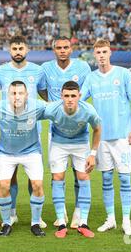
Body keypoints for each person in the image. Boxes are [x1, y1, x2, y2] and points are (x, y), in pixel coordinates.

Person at [81, 39, 131, 236]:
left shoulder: (122, 74)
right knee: (106, 178)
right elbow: (79, 100)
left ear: (110, 52)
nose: (101, 56)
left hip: (122, 137)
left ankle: (125, 221)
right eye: (98, 52)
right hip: (102, 138)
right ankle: (111, 219)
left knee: (124, 179)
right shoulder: (91, 78)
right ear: (94, 55)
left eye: (104, 52)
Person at [0, 35, 48, 228]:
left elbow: (44, 94)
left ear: (27, 50)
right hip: (9, 130)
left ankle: (37, 217)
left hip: (32, 130)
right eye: (14, 48)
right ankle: (12, 212)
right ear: (9, 50)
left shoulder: (38, 71)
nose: (18, 52)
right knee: (11, 174)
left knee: (34, 177)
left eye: (21, 48)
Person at [42, 36, 92, 229]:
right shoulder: (46, 68)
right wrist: (56, 107)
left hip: (79, 128)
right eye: (59, 48)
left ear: (72, 49)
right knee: (57, 172)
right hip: (56, 129)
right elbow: (40, 89)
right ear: (54, 50)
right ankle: (61, 212)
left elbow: (86, 92)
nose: (62, 50)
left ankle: (79, 212)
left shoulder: (83, 68)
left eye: (66, 47)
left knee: (79, 172)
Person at [43, 81, 101, 239]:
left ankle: (83, 223)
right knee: (57, 177)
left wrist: (93, 154)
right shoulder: (52, 109)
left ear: (79, 96)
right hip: (58, 144)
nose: (70, 99)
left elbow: (97, 129)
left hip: (80, 144)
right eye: (66, 96)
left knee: (83, 177)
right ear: (61, 96)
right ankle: (61, 223)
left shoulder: (88, 110)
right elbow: (33, 115)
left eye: (73, 96)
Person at [0, 81, 47, 237]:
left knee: (37, 184)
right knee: (4, 186)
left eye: (21, 93)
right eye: (13, 93)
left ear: (27, 95)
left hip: (31, 151)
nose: (17, 96)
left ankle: (35, 223)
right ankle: (7, 223)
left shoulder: (38, 106)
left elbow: (57, 111)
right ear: (8, 95)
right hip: (6, 153)